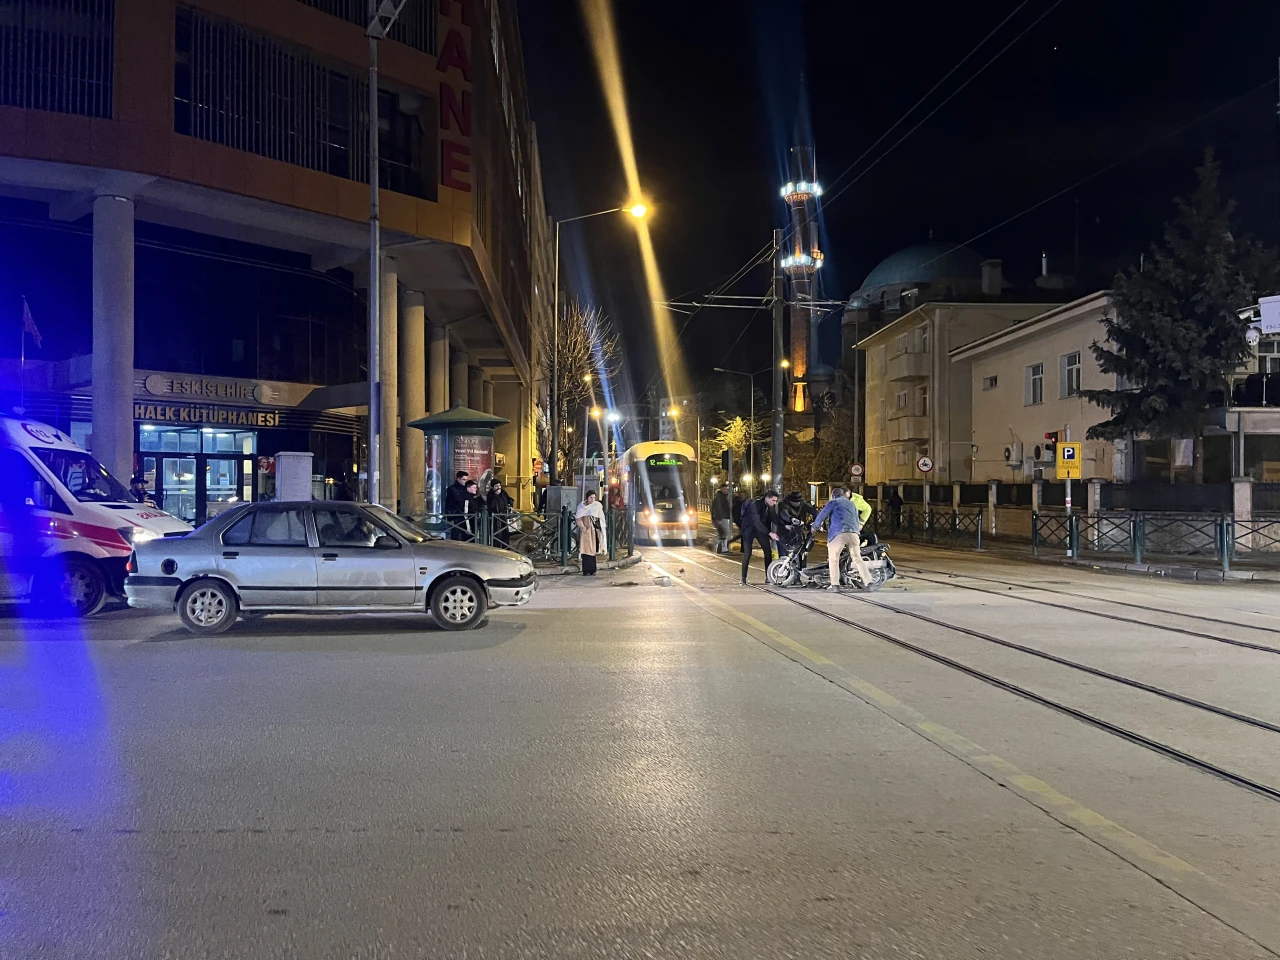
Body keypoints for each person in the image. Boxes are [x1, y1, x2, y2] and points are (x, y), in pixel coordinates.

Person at [814, 486, 875, 591]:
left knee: (834, 559)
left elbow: (822, 515)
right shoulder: (851, 503)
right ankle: (868, 582)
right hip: (854, 534)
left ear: (833, 496)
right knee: (857, 558)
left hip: (838, 533)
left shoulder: (833, 502)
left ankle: (835, 585)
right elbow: (856, 518)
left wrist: (814, 527)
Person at [739, 489, 780, 584]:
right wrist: (769, 533)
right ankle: (743, 578)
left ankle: (768, 577)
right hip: (749, 529)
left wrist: (785, 525)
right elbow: (756, 522)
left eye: (775, 501)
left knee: (768, 552)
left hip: (761, 530)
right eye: (773, 500)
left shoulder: (770, 506)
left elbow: (774, 518)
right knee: (747, 553)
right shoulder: (755, 504)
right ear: (767, 498)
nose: (775, 503)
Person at [575, 489, 607, 576]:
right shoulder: (581, 506)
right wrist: (583, 528)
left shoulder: (596, 505)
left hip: (594, 531)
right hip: (586, 532)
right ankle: (586, 570)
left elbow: (600, 516)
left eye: (594, 498)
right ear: (587, 498)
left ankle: (593, 570)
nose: (592, 500)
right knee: (586, 551)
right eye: (590, 497)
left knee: (593, 550)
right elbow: (578, 518)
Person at [487, 478, 515, 549]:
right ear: (492, 487)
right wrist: (495, 496)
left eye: (499, 486)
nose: (498, 488)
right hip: (495, 519)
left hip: (504, 517)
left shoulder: (503, 492)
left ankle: (506, 548)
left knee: (505, 534)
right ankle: (497, 549)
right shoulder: (490, 495)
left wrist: (510, 505)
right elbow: (491, 506)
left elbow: (509, 499)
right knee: (497, 535)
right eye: (496, 486)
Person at [444, 470, 470, 539]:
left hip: (464, 516)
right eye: (464, 479)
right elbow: (458, 500)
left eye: (467, 480)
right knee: (456, 534)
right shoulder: (452, 489)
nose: (465, 481)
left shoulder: (465, 488)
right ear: (458, 479)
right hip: (456, 515)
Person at [710, 484, 732, 554]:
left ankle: (720, 548)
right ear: (721, 489)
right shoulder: (720, 497)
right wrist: (719, 518)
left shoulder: (722, 497)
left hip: (722, 517)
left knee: (722, 533)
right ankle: (722, 548)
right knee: (725, 533)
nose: (726, 490)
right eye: (724, 489)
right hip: (722, 518)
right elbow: (718, 508)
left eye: (726, 489)